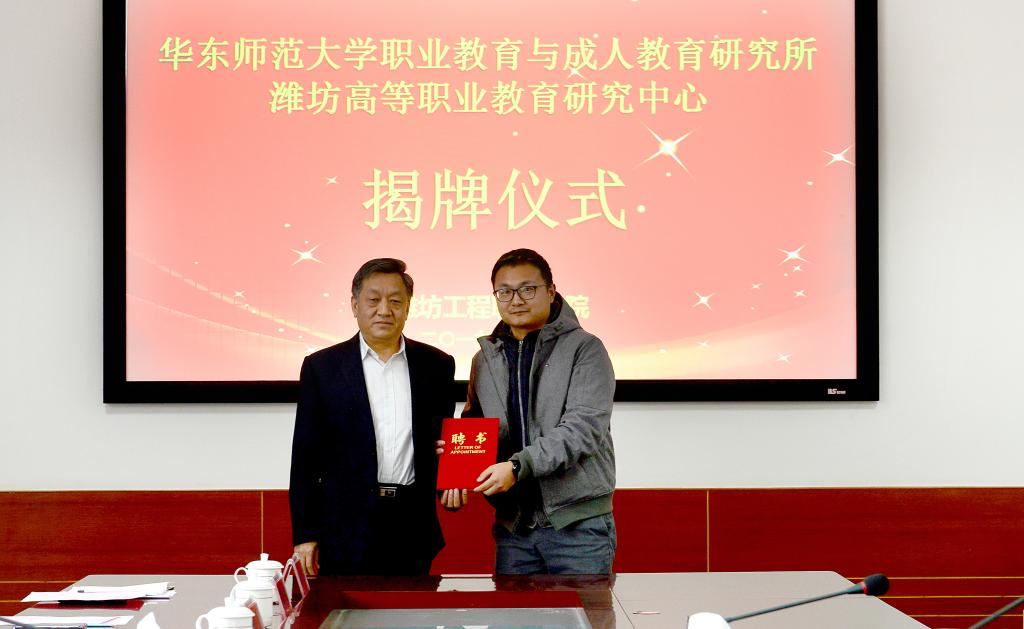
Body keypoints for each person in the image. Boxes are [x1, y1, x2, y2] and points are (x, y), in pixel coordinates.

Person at [453, 248, 617, 574]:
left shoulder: (585, 348)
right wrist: (456, 469)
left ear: (551, 291)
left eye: (527, 289)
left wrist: (518, 466)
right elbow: (477, 428)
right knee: (514, 610)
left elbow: (583, 429)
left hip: (578, 527)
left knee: (583, 610)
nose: (516, 300)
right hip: (514, 528)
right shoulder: (484, 359)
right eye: (504, 291)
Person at [289, 258, 455, 576]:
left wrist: (452, 485)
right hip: (343, 529)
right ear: (355, 305)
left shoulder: (436, 365)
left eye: (395, 301)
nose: (384, 310)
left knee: (411, 608)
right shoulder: (322, 367)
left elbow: (440, 443)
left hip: (411, 525)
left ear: (408, 307)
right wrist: (305, 534)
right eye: (373, 300)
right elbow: (305, 458)